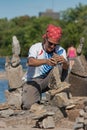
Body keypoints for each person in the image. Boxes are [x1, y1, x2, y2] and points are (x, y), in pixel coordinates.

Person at [21, 24, 69, 110]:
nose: (52, 47)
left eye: (55, 44)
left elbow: (66, 68)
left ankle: (64, 94)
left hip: (50, 80)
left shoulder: (61, 50)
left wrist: (64, 62)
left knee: (61, 66)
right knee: (29, 105)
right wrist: (46, 61)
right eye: (50, 43)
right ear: (45, 39)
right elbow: (30, 62)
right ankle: (34, 96)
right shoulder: (35, 47)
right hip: (33, 81)